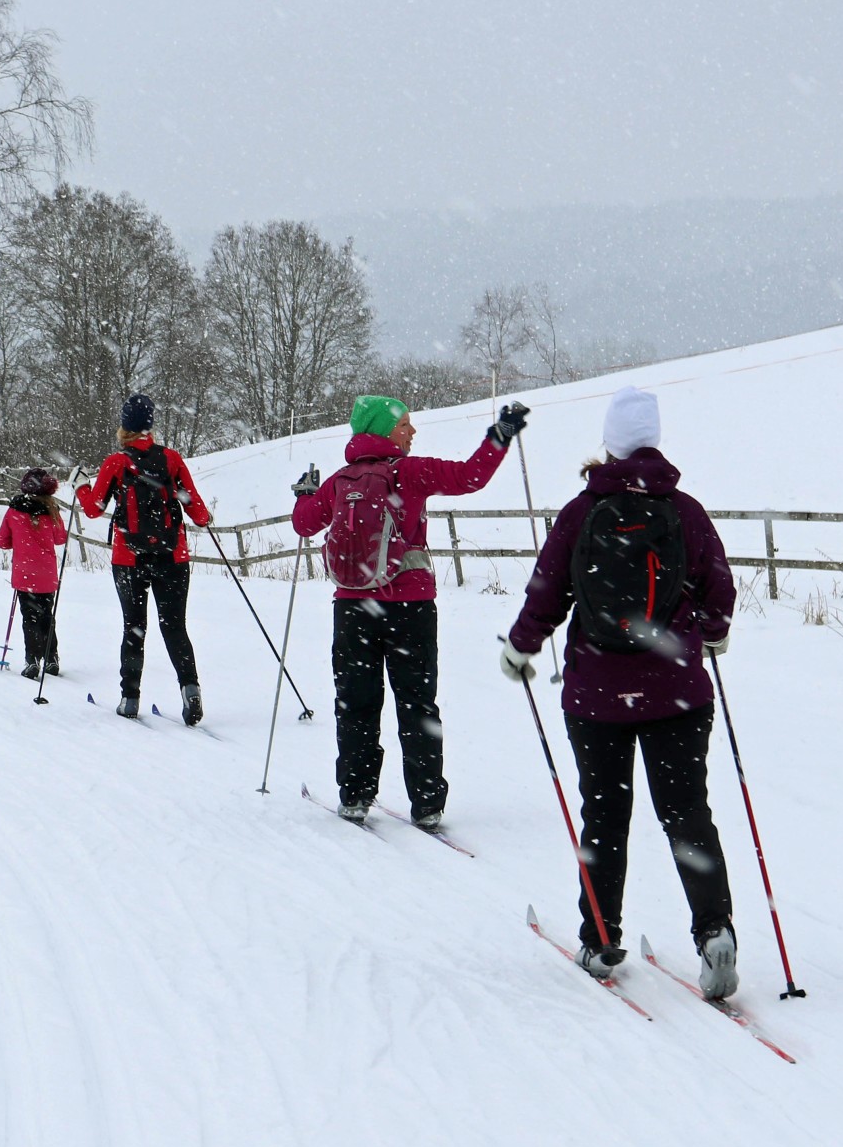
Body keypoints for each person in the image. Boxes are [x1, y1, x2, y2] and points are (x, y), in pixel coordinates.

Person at [502, 386, 738, 998]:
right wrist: (710, 634)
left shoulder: (583, 510)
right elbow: (719, 588)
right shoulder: (684, 510)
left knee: (604, 814)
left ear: (609, 440)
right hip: (677, 690)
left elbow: (547, 590)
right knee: (687, 813)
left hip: (597, 694)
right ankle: (715, 932)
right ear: (654, 440)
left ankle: (601, 939)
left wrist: (522, 646)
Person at [291, 394, 527, 828]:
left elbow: (305, 524)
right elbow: (471, 477)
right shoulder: (410, 473)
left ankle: (356, 796)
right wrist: (500, 436)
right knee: (418, 705)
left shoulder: (342, 481)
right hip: (410, 609)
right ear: (383, 430)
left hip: (352, 608)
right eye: (405, 426)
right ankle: (428, 803)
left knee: (357, 703)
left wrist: (304, 494)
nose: (412, 432)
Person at [76, 394, 213, 723]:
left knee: (134, 627)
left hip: (130, 557)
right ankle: (190, 689)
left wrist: (81, 485)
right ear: (150, 425)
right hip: (173, 554)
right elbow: (196, 510)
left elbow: (94, 509)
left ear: (124, 426)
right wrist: (206, 518)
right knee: (175, 627)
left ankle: (130, 698)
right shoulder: (172, 459)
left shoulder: (117, 462)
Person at [0, 468, 69, 678]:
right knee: (47, 615)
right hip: (46, 573)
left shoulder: (14, 510)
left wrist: (18, 541)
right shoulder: (51, 510)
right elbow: (60, 538)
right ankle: (52, 657)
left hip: (24, 572)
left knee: (30, 617)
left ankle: (32, 659)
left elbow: (1, 541)